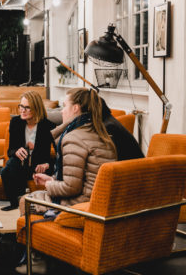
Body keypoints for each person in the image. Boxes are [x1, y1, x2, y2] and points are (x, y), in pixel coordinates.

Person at [16, 87, 117, 274]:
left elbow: (71, 187)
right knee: (39, 195)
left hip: (80, 206)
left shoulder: (73, 138)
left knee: (26, 201)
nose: (62, 111)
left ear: (76, 108)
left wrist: (47, 184)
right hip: (98, 203)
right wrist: (53, 178)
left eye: (65, 106)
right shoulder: (102, 134)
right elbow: (82, 176)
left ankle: (37, 259)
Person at [0, 91, 56, 211]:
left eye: (27, 107)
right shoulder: (15, 123)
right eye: (21, 106)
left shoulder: (48, 126)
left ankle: (16, 202)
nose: (22, 110)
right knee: (9, 166)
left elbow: (60, 155)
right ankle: (18, 201)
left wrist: (47, 164)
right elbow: (10, 151)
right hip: (20, 166)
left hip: (39, 168)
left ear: (36, 108)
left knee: (6, 170)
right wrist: (16, 151)